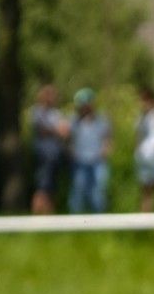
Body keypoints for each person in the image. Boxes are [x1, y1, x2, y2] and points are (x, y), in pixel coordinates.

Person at [67, 89, 112, 214]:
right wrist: (70, 151)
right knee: (78, 189)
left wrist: (106, 149)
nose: (84, 107)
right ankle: (75, 221)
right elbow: (68, 139)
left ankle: (99, 219)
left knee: (98, 190)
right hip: (79, 161)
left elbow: (107, 138)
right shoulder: (73, 120)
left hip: (98, 161)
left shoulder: (101, 119)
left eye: (86, 104)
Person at [29, 85, 70, 215]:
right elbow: (41, 130)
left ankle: (49, 216)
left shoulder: (56, 113)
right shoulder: (37, 111)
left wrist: (59, 131)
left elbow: (65, 130)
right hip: (43, 154)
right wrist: (56, 130)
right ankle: (37, 216)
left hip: (55, 155)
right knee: (42, 186)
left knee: (52, 187)